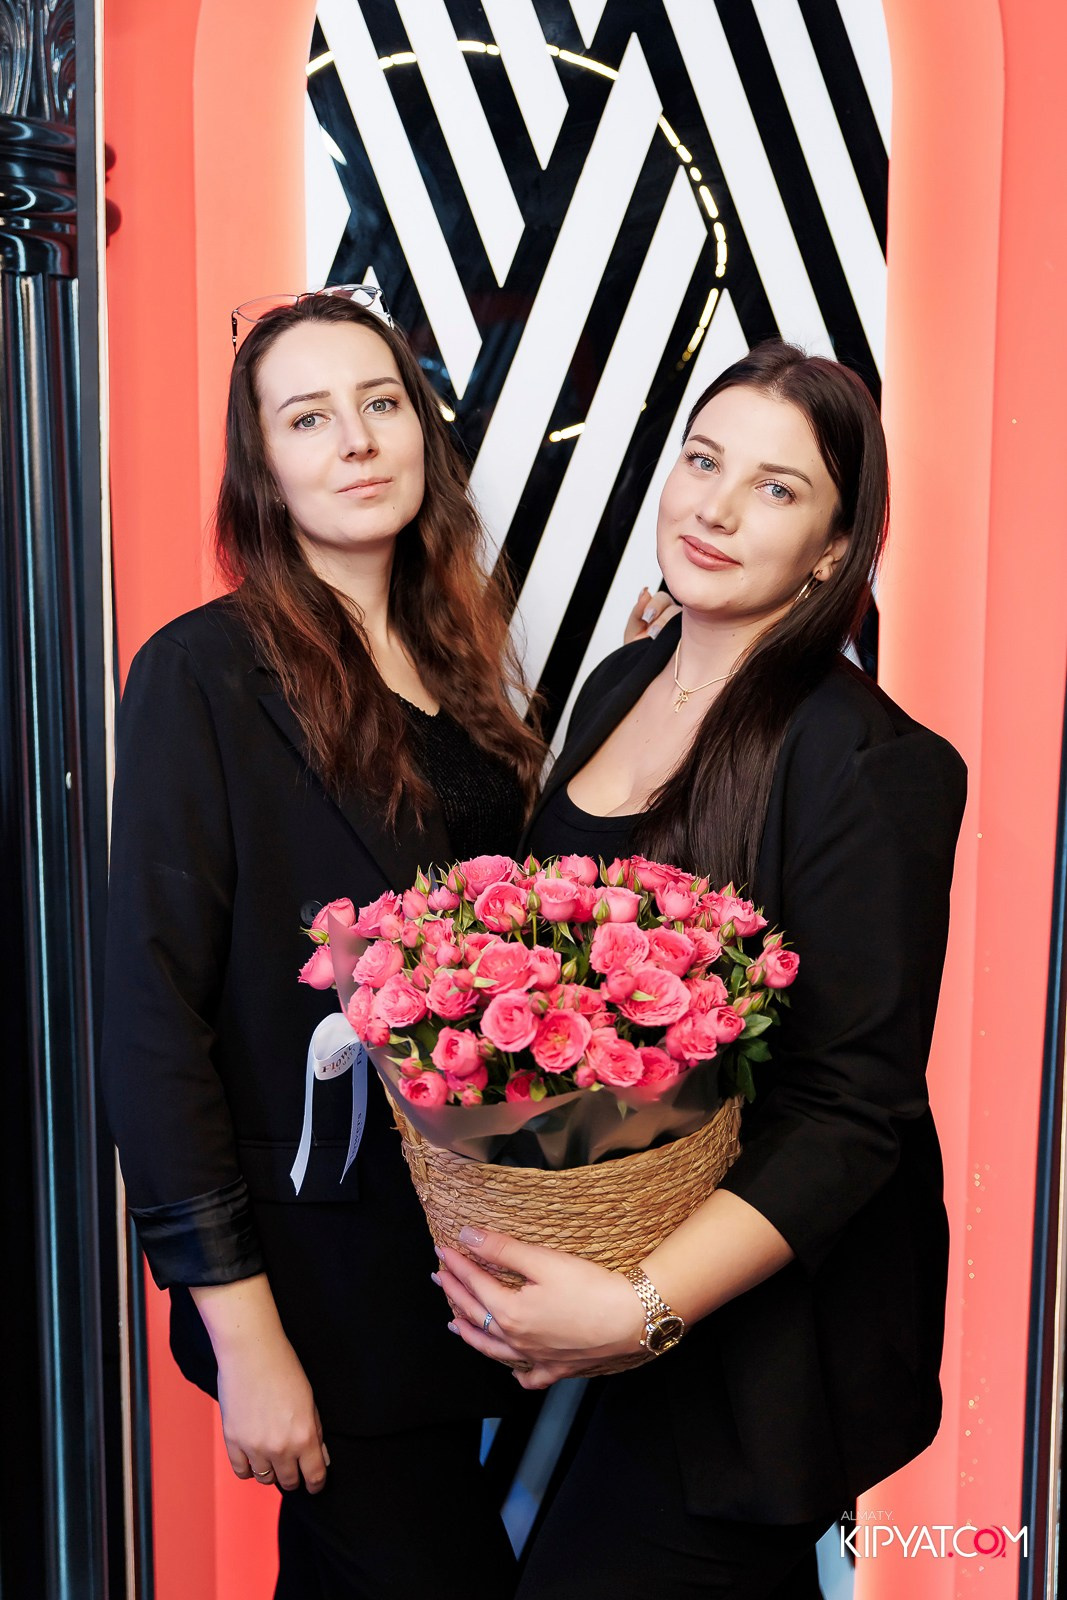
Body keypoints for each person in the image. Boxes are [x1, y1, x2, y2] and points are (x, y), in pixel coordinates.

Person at [434, 341, 967, 1598]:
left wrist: (637, 1308)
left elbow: (850, 1112)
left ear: (833, 550)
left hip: (739, 1350)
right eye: (703, 460)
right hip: (580, 1282)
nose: (714, 508)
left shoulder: (866, 763)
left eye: (776, 488)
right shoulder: (623, 679)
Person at [100, 288, 546, 1600]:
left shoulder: (455, 664)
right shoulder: (202, 672)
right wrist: (244, 1337)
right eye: (307, 417)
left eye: (379, 402)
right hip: (314, 1285)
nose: (355, 439)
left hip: (456, 1265)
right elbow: (150, 1013)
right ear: (262, 467)